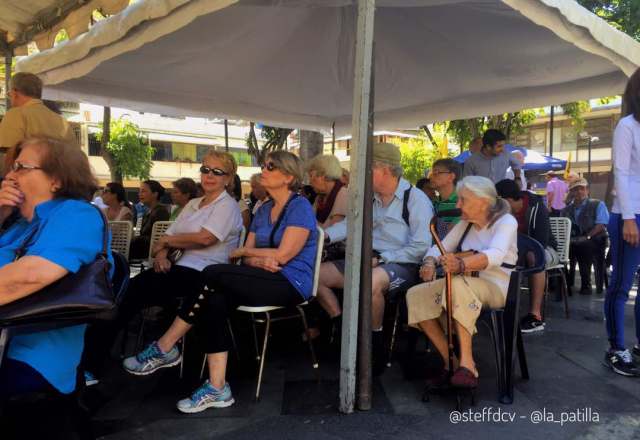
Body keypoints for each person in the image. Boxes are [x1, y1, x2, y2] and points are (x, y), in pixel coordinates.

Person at [121, 151, 317, 413]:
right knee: (214, 300)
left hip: (291, 282)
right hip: (262, 277)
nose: (264, 169)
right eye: (264, 165)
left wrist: (249, 254)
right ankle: (217, 387)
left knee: (213, 273)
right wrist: (256, 259)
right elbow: (246, 259)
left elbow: (280, 255)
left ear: (289, 176)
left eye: (271, 166)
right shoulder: (263, 209)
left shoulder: (299, 206)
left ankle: (165, 346)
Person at [84, 151, 243, 380]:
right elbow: (163, 239)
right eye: (205, 169)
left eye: (218, 172)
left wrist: (168, 243)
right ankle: (91, 364)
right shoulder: (193, 205)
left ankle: (103, 361)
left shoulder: (227, 206)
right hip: (177, 270)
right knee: (123, 294)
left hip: (205, 276)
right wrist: (161, 254)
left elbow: (206, 238)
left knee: (132, 292)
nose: (209, 175)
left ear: (228, 178)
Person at [0, 137, 113, 399]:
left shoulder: (75, 213)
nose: (10, 175)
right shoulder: (18, 224)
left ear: (57, 180)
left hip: (30, 357)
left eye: (21, 167)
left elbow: (30, 276)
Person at [317, 142, 434, 374]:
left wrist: (383, 257)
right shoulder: (370, 197)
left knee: (371, 281)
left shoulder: (415, 199)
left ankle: (373, 344)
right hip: (367, 259)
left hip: (402, 263)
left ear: (385, 170)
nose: (360, 174)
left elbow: (421, 246)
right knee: (315, 275)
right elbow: (351, 225)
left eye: (366, 169)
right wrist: (322, 237)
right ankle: (341, 326)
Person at [406, 176, 517, 389]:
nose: (457, 205)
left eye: (463, 200)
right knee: (416, 294)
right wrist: (430, 262)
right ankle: (452, 364)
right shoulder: (466, 223)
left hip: (497, 287)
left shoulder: (506, 222)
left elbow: (495, 255)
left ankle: (468, 364)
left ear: (483, 201)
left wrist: (460, 265)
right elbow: (441, 248)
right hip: (465, 284)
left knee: (457, 285)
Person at [603, 67, 640, 377]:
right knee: (621, 285)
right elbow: (622, 175)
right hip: (629, 214)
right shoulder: (627, 126)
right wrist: (628, 218)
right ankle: (616, 348)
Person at [496, 179, 558, 332]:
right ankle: (498, 306)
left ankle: (535, 316)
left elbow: (540, 244)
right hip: (517, 251)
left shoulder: (537, 207)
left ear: (508, 199)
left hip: (546, 250)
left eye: (498, 201)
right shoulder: (503, 212)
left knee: (534, 256)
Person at [0, 73, 77, 174]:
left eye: (9, 95)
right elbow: (75, 157)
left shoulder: (16, 113)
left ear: (15, 93)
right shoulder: (62, 121)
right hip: (59, 183)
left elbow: (8, 154)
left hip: (25, 182)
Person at [562, 178, 609, 295]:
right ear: (571, 192)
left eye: (582, 189)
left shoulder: (597, 204)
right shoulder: (566, 209)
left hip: (594, 240)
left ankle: (586, 284)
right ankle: (563, 283)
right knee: (559, 247)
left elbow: (601, 225)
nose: (579, 192)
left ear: (587, 190)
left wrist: (587, 236)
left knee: (584, 246)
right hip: (574, 240)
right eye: (575, 189)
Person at [129, 180, 170, 260]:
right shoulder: (147, 211)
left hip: (149, 251)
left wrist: (134, 239)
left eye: (143, 191)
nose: (139, 194)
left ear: (155, 194)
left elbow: (156, 238)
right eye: (139, 191)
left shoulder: (160, 212)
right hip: (140, 248)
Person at [306, 154, 348, 228]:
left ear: (323, 175)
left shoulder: (343, 195)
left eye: (311, 176)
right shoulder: (319, 198)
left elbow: (336, 229)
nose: (309, 181)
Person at [430, 158, 462, 231]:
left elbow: (451, 235)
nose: (431, 177)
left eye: (436, 173)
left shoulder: (462, 203)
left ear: (451, 177)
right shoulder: (432, 203)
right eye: (431, 173)